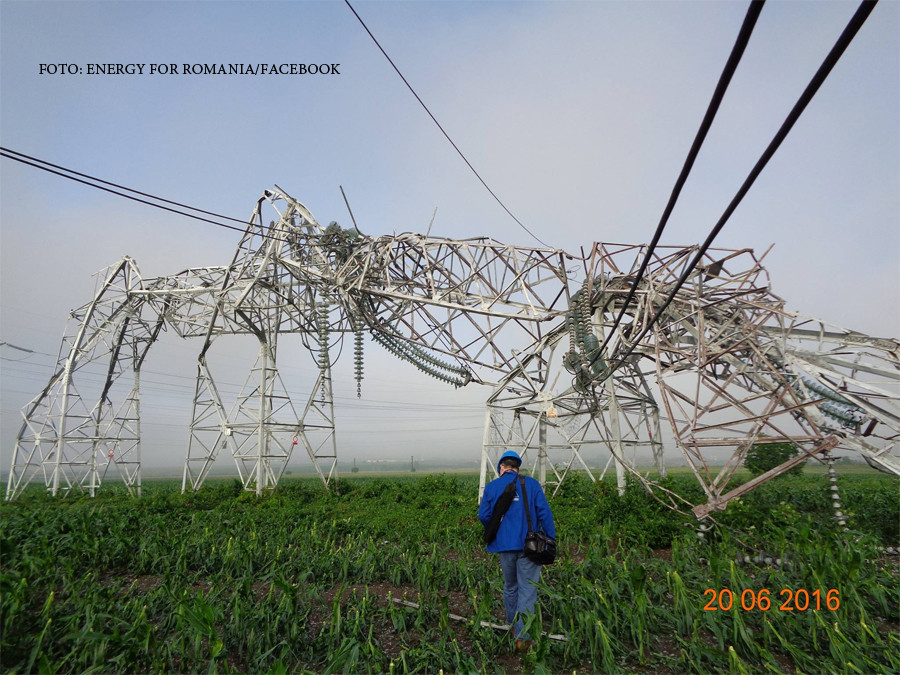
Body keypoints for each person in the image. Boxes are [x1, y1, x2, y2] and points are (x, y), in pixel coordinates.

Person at [478, 450, 556, 646]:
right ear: (517, 467)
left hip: (504, 546)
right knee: (528, 589)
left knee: (510, 587)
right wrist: (551, 539)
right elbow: (544, 514)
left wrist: (496, 526)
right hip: (530, 546)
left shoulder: (492, 487)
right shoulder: (531, 484)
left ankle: (513, 626)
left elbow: (483, 515)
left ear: (502, 468)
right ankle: (523, 637)